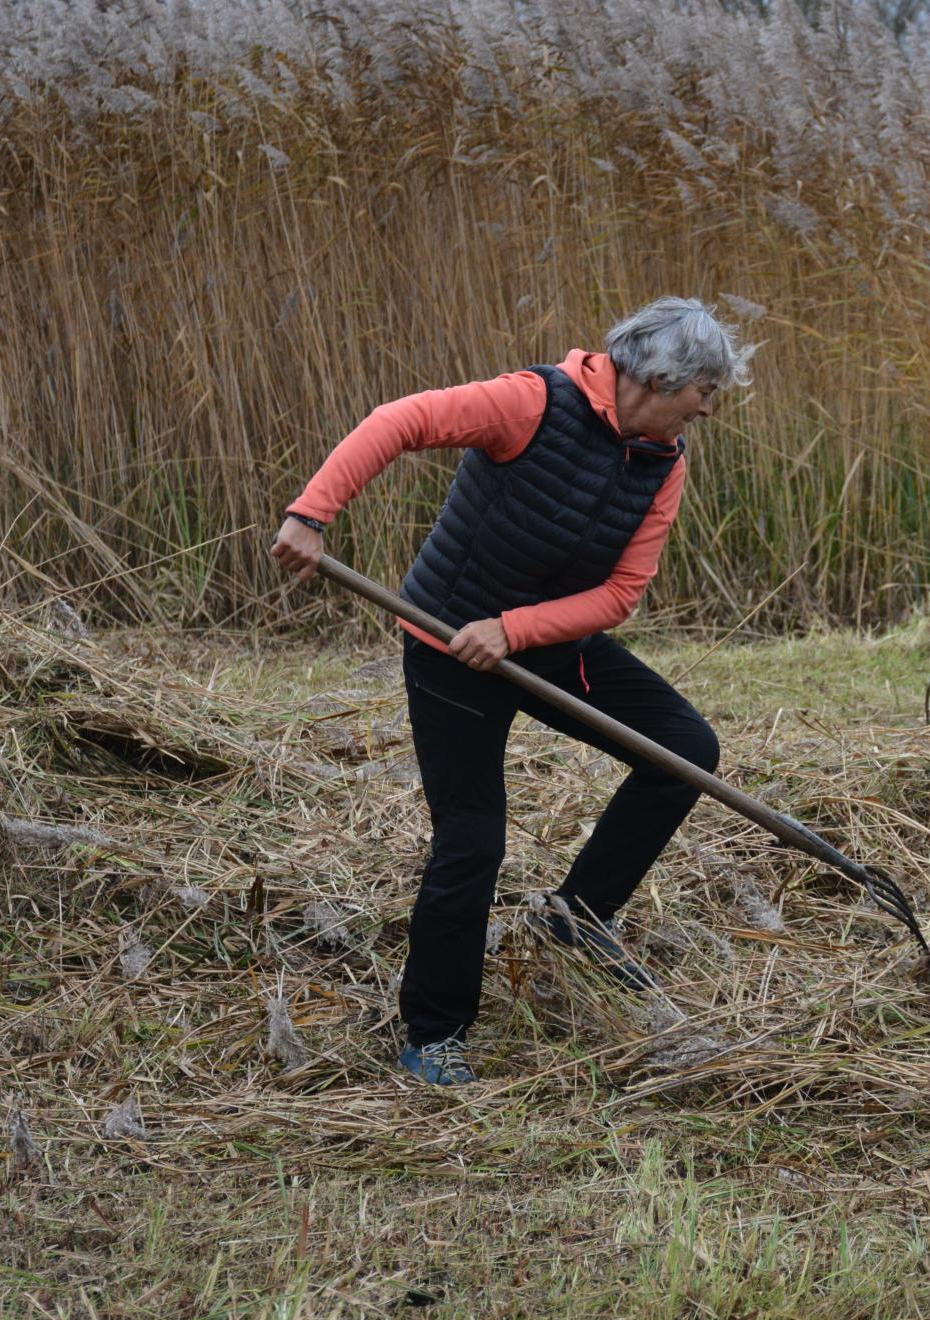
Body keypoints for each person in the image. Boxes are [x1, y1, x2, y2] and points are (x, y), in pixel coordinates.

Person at [271, 297, 753, 1086]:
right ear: (664, 378)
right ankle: (435, 1035)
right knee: (471, 843)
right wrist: (312, 513)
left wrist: (516, 629)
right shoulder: (532, 403)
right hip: (447, 648)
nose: (708, 409)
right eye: (706, 391)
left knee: (685, 749)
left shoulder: (665, 461)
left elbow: (622, 593)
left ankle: (579, 915)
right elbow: (398, 421)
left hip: (545, 645)